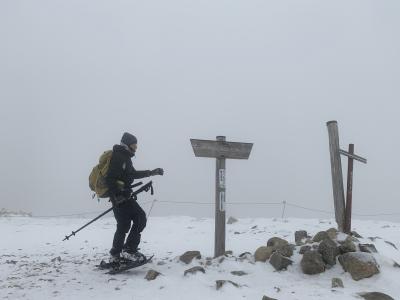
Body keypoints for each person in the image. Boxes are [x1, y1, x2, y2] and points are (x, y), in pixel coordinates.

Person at [105, 132, 163, 263]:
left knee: (123, 225)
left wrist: (151, 172)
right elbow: (110, 179)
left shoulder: (125, 158)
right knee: (140, 217)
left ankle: (115, 255)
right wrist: (117, 196)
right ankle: (129, 250)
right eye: (134, 145)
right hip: (120, 198)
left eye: (136, 146)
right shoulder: (119, 157)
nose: (135, 148)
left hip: (122, 197)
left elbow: (132, 174)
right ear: (126, 144)